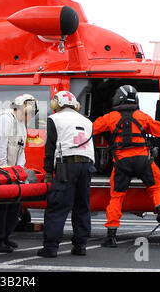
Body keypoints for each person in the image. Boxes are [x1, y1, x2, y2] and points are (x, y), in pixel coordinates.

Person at [93, 85, 160, 248]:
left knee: (116, 197)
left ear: (118, 98)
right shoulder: (142, 116)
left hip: (121, 162)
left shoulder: (110, 117)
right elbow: (159, 131)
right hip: (143, 160)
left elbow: (92, 129)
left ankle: (111, 236)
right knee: (156, 188)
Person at [0, 93, 38, 253]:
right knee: (1, 206)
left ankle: (4, 237)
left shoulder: (20, 123)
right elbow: (1, 145)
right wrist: (4, 168)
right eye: (28, 113)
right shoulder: (6, 118)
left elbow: (21, 150)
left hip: (10, 170)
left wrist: (19, 172)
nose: (29, 116)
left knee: (14, 204)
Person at [37, 91, 95, 258]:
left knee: (57, 206)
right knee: (82, 206)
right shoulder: (87, 121)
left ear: (57, 104)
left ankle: (51, 247)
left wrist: (48, 171)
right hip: (87, 165)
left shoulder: (54, 119)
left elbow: (50, 147)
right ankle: (80, 246)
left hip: (67, 165)